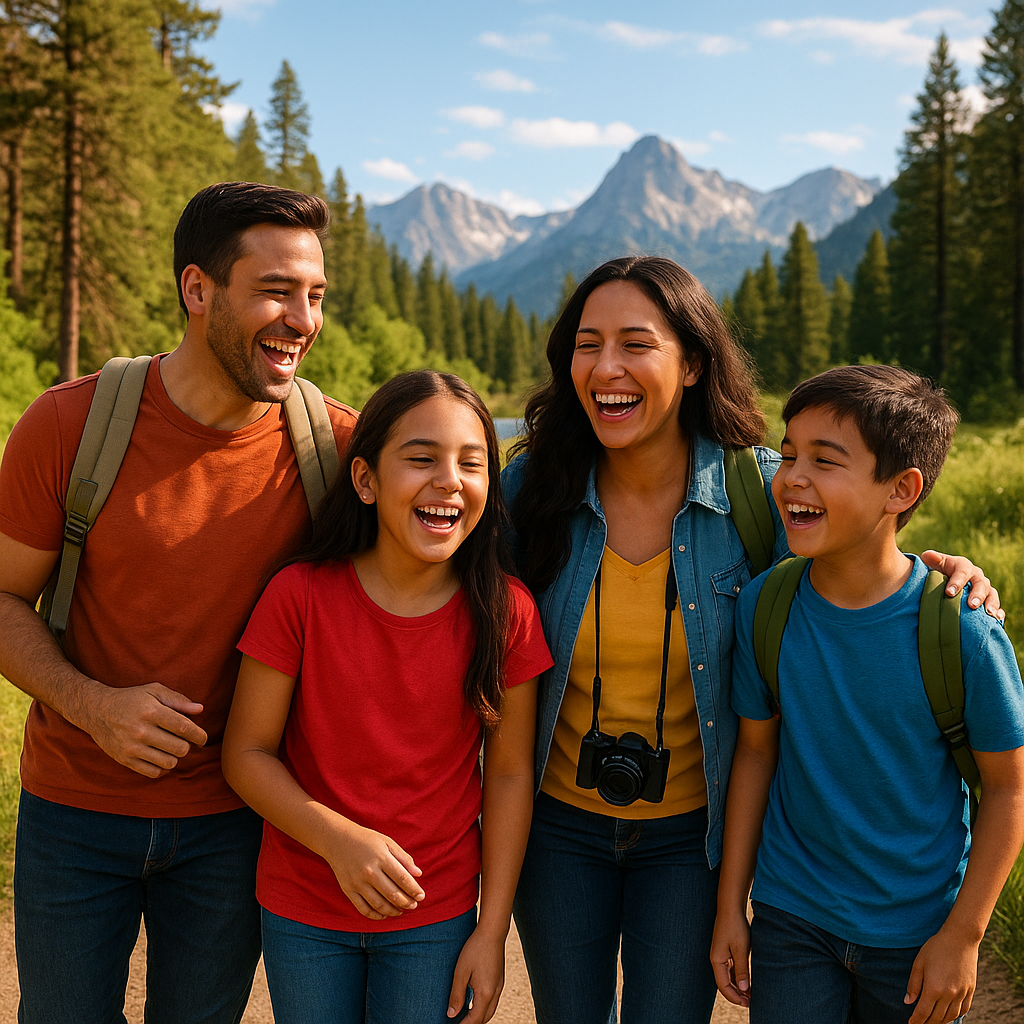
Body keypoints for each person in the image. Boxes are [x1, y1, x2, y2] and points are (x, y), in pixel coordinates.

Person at [501, 256, 1003, 1024]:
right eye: (586, 342)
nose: (607, 367)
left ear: (694, 362)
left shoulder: (756, 492)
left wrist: (949, 569)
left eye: (636, 343)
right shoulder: (530, 490)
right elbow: (432, 585)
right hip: (557, 830)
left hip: (690, 837)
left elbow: (856, 548)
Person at [0, 181, 358, 1023]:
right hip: (74, 814)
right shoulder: (68, 425)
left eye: (314, 295)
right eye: (275, 290)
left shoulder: (338, 452)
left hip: (236, 827)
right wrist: (91, 706)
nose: (301, 319)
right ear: (198, 290)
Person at [221, 369, 551, 1024]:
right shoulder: (300, 597)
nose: (449, 480)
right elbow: (246, 754)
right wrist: (340, 841)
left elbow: (510, 774)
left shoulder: (507, 612)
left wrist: (490, 933)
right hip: (304, 908)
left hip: (435, 916)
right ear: (366, 480)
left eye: (471, 463)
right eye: (421, 458)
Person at [711, 365, 1024, 1024]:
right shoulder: (768, 604)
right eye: (789, 454)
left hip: (916, 934)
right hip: (792, 918)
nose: (792, 476)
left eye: (825, 461)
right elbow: (755, 757)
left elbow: (1007, 789)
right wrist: (730, 908)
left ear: (900, 490)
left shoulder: (960, 628)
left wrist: (964, 938)